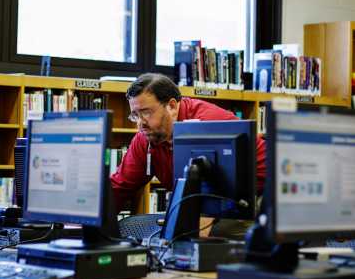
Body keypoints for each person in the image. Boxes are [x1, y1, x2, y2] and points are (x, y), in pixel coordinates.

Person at [110, 73, 266, 238]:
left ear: (171, 106)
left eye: (146, 112)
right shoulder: (147, 136)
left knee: (208, 235)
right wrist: (90, 221)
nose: (140, 123)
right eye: (135, 115)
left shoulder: (207, 124)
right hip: (199, 204)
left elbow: (215, 195)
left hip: (256, 197)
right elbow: (121, 186)